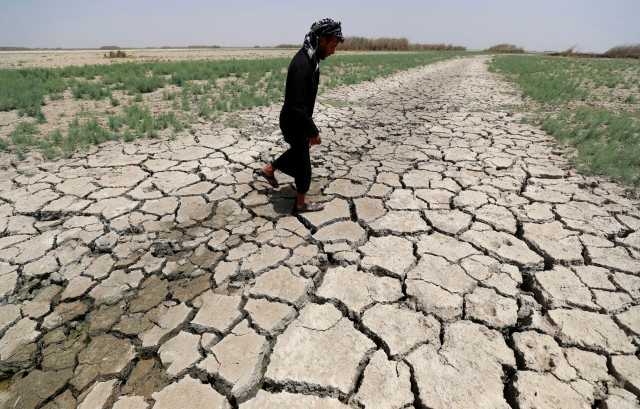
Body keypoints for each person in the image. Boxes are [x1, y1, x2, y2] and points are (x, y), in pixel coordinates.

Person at [258, 18, 344, 214]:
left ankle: (269, 169)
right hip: (294, 121)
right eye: (332, 45)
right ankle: (300, 204)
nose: (333, 50)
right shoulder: (302, 63)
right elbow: (297, 106)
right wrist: (312, 131)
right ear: (322, 40)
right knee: (304, 165)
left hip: (297, 119)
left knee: (298, 153)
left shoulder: (310, 58)